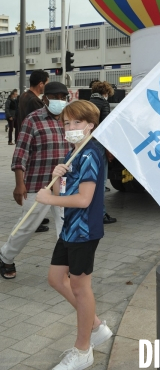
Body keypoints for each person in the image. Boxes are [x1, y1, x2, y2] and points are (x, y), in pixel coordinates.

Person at [36, 100, 112, 370]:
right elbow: (64, 195)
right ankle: (95, 324)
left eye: (77, 123)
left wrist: (47, 199)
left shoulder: (91, 153)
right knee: (56, 278)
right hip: (70, 228)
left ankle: (83, 350)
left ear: (91, 125)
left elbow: (84, 200)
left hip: (84, 230)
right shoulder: (74, 153)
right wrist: (57, 179)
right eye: (67, 123)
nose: (70, 128)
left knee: (81, 288)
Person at [0, 82, 70, 280]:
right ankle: (5, 257)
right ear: (45, 98)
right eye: (54, 97)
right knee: (28, 225)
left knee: (65, 225)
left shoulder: (69, 119)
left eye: (62, 97)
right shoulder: (33, 120)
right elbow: (20, 152)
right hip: (38, 184)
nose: (59, 100)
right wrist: (19, 183)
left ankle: (66, 265)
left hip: (64, 184)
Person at [89, 81, 117, 224]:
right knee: (101, 179)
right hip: (98, 144)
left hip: (86, 143)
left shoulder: (87, 103)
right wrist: (109, 149)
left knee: (89, 178)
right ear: (105, 93)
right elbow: (105, 128)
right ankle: (101, 214)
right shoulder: (103, 104)